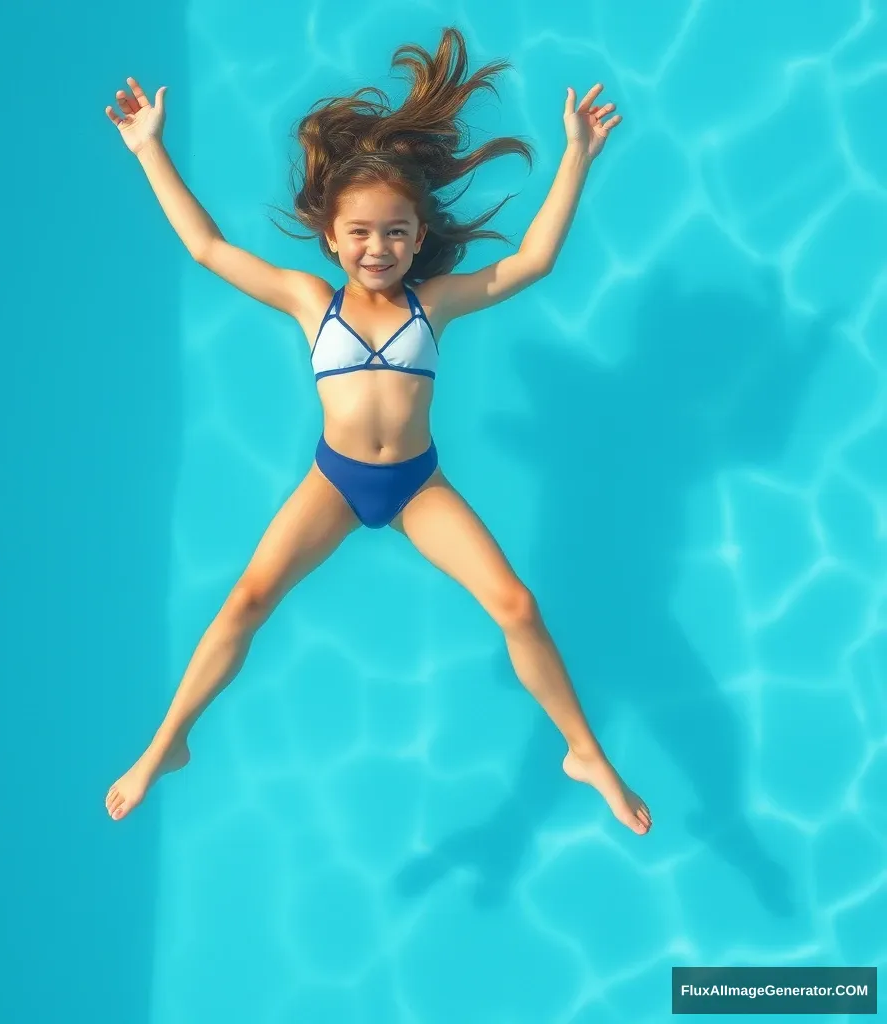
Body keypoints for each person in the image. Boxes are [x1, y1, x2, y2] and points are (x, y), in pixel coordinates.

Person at [103, 28, 651, 835]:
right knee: (247, 600)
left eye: (396, 232)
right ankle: (167, 743)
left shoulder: (436, 304)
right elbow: (206, 246)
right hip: (335, 482)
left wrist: (576, 156)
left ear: (419, 238)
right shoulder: (306, 298)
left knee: (519, 606)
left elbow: (532, 261)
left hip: (416, 486)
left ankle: (584, 753)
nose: (378, 247)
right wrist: (149, 148)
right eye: (359, 233)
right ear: (331, 237)